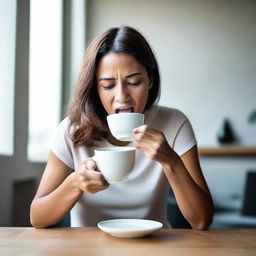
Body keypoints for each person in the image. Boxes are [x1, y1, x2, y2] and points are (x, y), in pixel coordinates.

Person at [30, 26, 214, 230]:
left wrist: (170, 161)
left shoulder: (173, 124)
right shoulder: (71, 131)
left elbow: (201, 220)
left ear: (150, 80)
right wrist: (75, 183)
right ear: (95, 88)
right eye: (108, 85)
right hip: (87, 249)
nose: (122, 97)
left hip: (155, 246)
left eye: (134, 82)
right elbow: (38, 218)